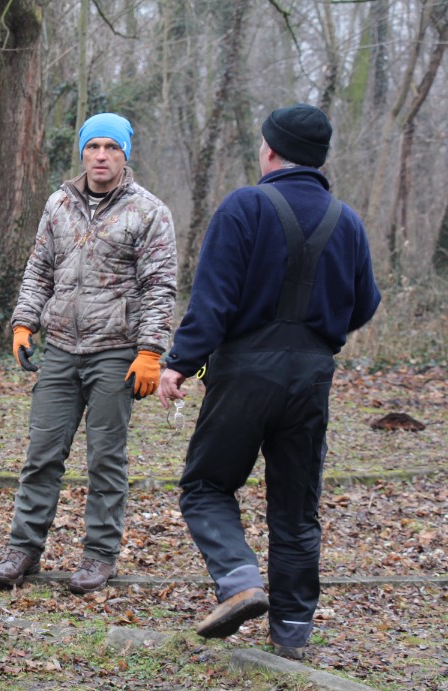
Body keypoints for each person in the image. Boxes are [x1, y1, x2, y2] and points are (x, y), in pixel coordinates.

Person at [158, 103, 381, 660]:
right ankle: (292, 631)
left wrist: (179, 362)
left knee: (206, 487)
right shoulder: (347, 221)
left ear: (272, 150)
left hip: (245, 371)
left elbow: (212, 300)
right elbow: (364, 304)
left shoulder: (245, 206)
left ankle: (239, 583)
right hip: (311, 377)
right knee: (295, 507)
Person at [0, 113, 177, 594]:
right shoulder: (59, 204)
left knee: (105, 460)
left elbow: (160, 287)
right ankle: (23, 548)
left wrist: (150, 351)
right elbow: (39, 269)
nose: (101, 156)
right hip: (60, 349)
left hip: (116, 352)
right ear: (82, 152)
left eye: (111, 148)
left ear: (125, 154)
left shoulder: (148, 211)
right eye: (93, 146)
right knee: (41, 454)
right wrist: (24, 323)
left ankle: (99, 555)